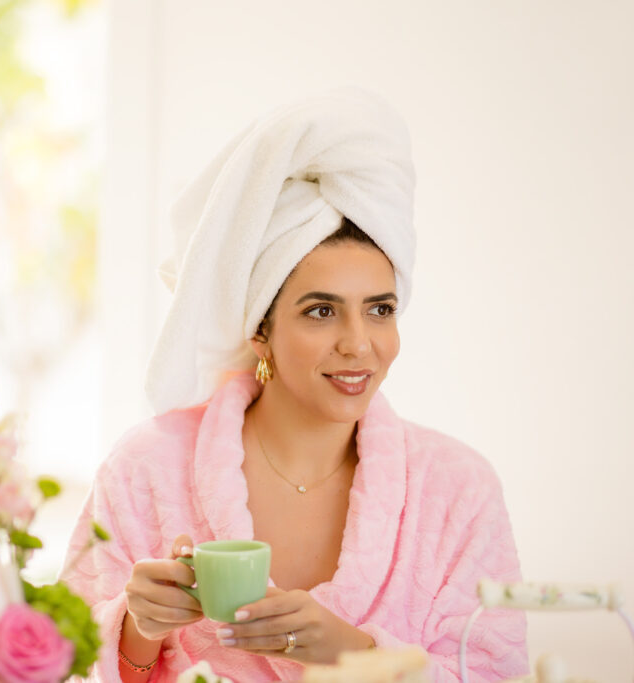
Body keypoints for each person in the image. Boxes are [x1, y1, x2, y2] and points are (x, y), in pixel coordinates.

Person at [60, 88, 528, 682]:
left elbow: (498, 673)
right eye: (322, 311)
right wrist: (137, 627)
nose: (360, 343)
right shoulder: (147, 468)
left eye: (380, 310)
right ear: (260, 330)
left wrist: (352, 651)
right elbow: (59, 661)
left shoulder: (459, 490)